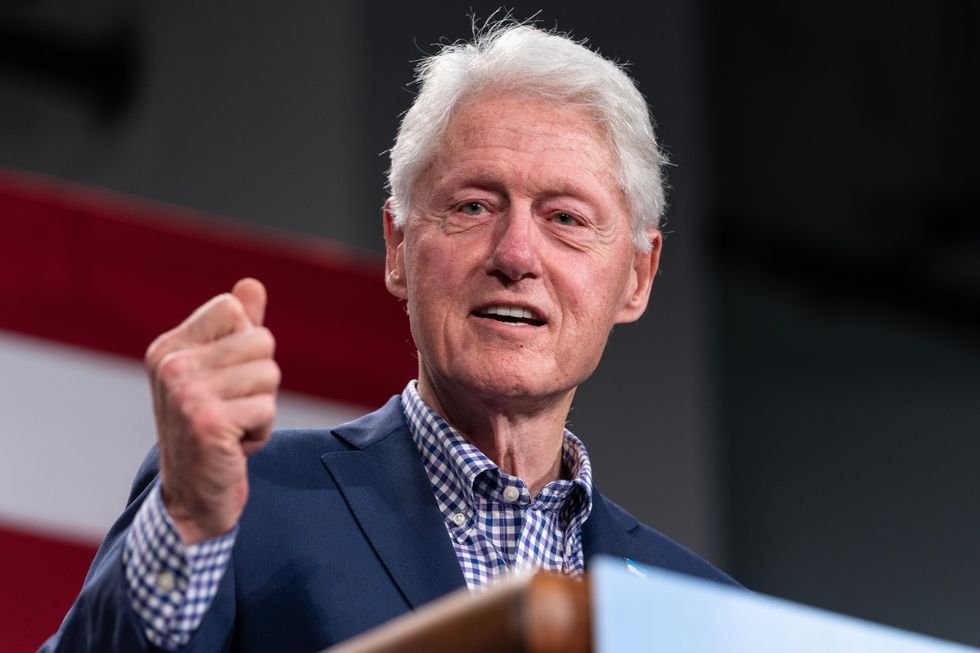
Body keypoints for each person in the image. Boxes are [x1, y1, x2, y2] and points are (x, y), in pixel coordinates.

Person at [41, 21, 737, 653]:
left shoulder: (705, 613)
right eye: (473, 205)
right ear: (399, 248)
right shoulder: (239, 502)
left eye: (566, 218)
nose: (517, 253)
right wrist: (187, 523)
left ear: (638, 277)